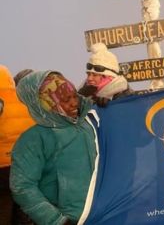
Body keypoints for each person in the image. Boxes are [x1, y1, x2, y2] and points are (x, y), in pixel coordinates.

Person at [10, 70, 98, 225]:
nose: (74, 103)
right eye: (65, 100)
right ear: (47, 104)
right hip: (69, 219)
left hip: (102, 214)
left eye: (74, 96)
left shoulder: (88, 124)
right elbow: (22, 186)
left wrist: (108, 108)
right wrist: (57, 221)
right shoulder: (34, 139)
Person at [0, 66, 35, 225]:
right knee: (24, 212)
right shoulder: (25, 102)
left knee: (4, 211)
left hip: (2, 170)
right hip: (25, 167)